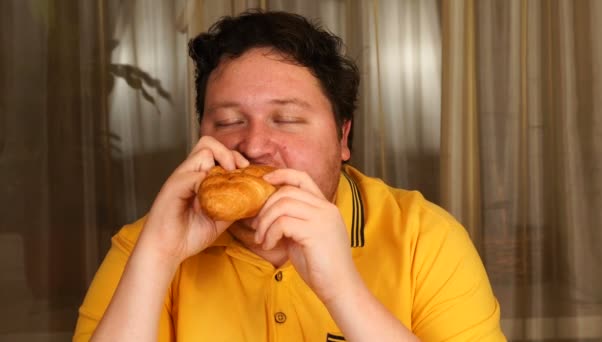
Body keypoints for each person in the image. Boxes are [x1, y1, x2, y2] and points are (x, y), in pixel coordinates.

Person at [74, 10, 505, 341]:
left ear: (342, 136)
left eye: (287, 119)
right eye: (226, 122)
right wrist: (157, 257)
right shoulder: (147, 243)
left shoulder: (424, 237)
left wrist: (342, 290)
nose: (255, 145)